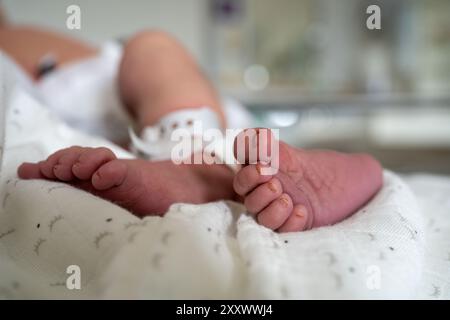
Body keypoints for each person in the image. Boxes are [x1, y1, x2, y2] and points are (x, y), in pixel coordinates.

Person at [1, 23, 383, 232]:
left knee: (152, 48)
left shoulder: (17, 37)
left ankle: (196, 166)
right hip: (129, 144)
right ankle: (201, 176)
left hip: (172, 111)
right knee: (117, 156)